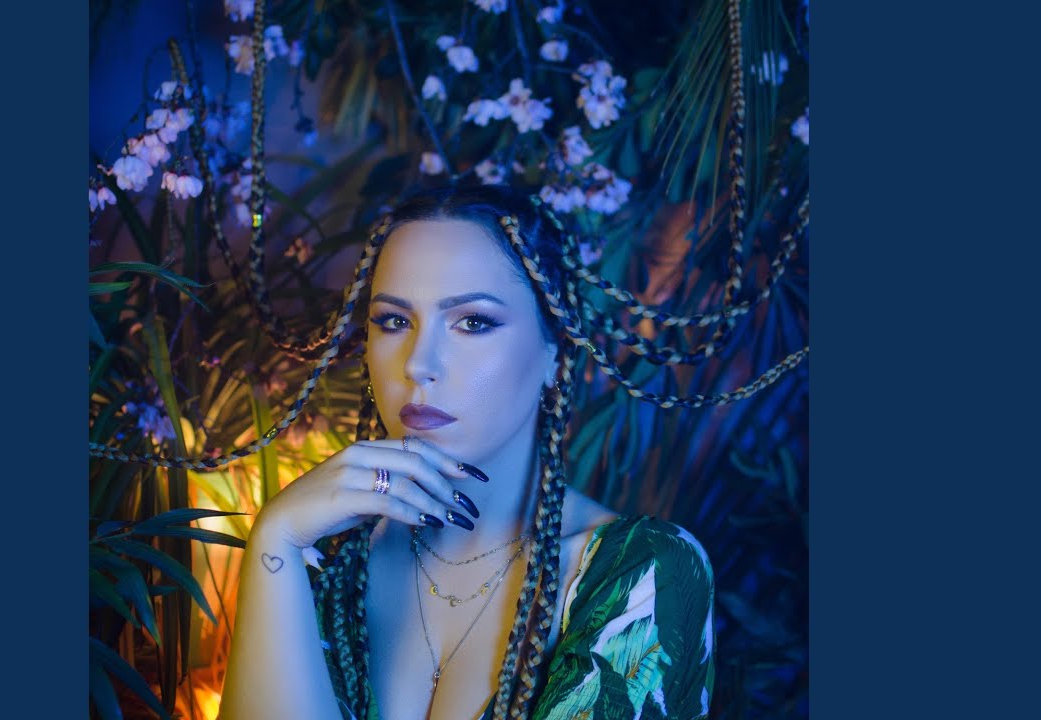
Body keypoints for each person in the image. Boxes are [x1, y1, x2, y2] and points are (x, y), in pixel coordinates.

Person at [218, 185, 716, 720]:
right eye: (394, 321)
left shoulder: (641, 571)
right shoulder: (324, 560)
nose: (418, 363)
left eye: (473, 322)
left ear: (555, 350)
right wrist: (276, 537)